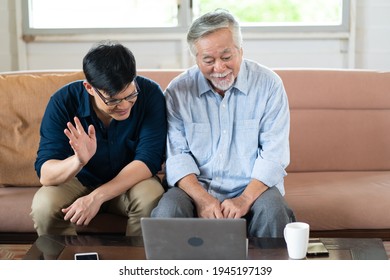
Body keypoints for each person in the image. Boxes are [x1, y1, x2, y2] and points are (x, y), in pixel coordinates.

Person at [151, 9, 295, 237]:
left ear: (241, 51)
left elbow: (273, 154)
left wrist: (245, 198)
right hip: (196, 188)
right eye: (208, 60)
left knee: (273, 211)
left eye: (227, 57)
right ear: (196, 58)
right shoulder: (178, 91)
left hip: (253, 186)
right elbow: (177, 156)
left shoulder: (269, 85)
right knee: (168, 210)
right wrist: (203, 199)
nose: (219, 68)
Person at [31, 41, 167, 237]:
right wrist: (77, 161)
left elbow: (149, 159)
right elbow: (46, 174)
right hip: (79, 180)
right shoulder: (63, 101)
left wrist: (97, 197)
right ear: (89, 87)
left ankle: (134, 263)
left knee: (150, 197)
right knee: (44, 206)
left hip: (129, 183)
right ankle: (63, 263)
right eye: (112, 100)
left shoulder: (150, 94)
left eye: (130, 95)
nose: (124, 105)